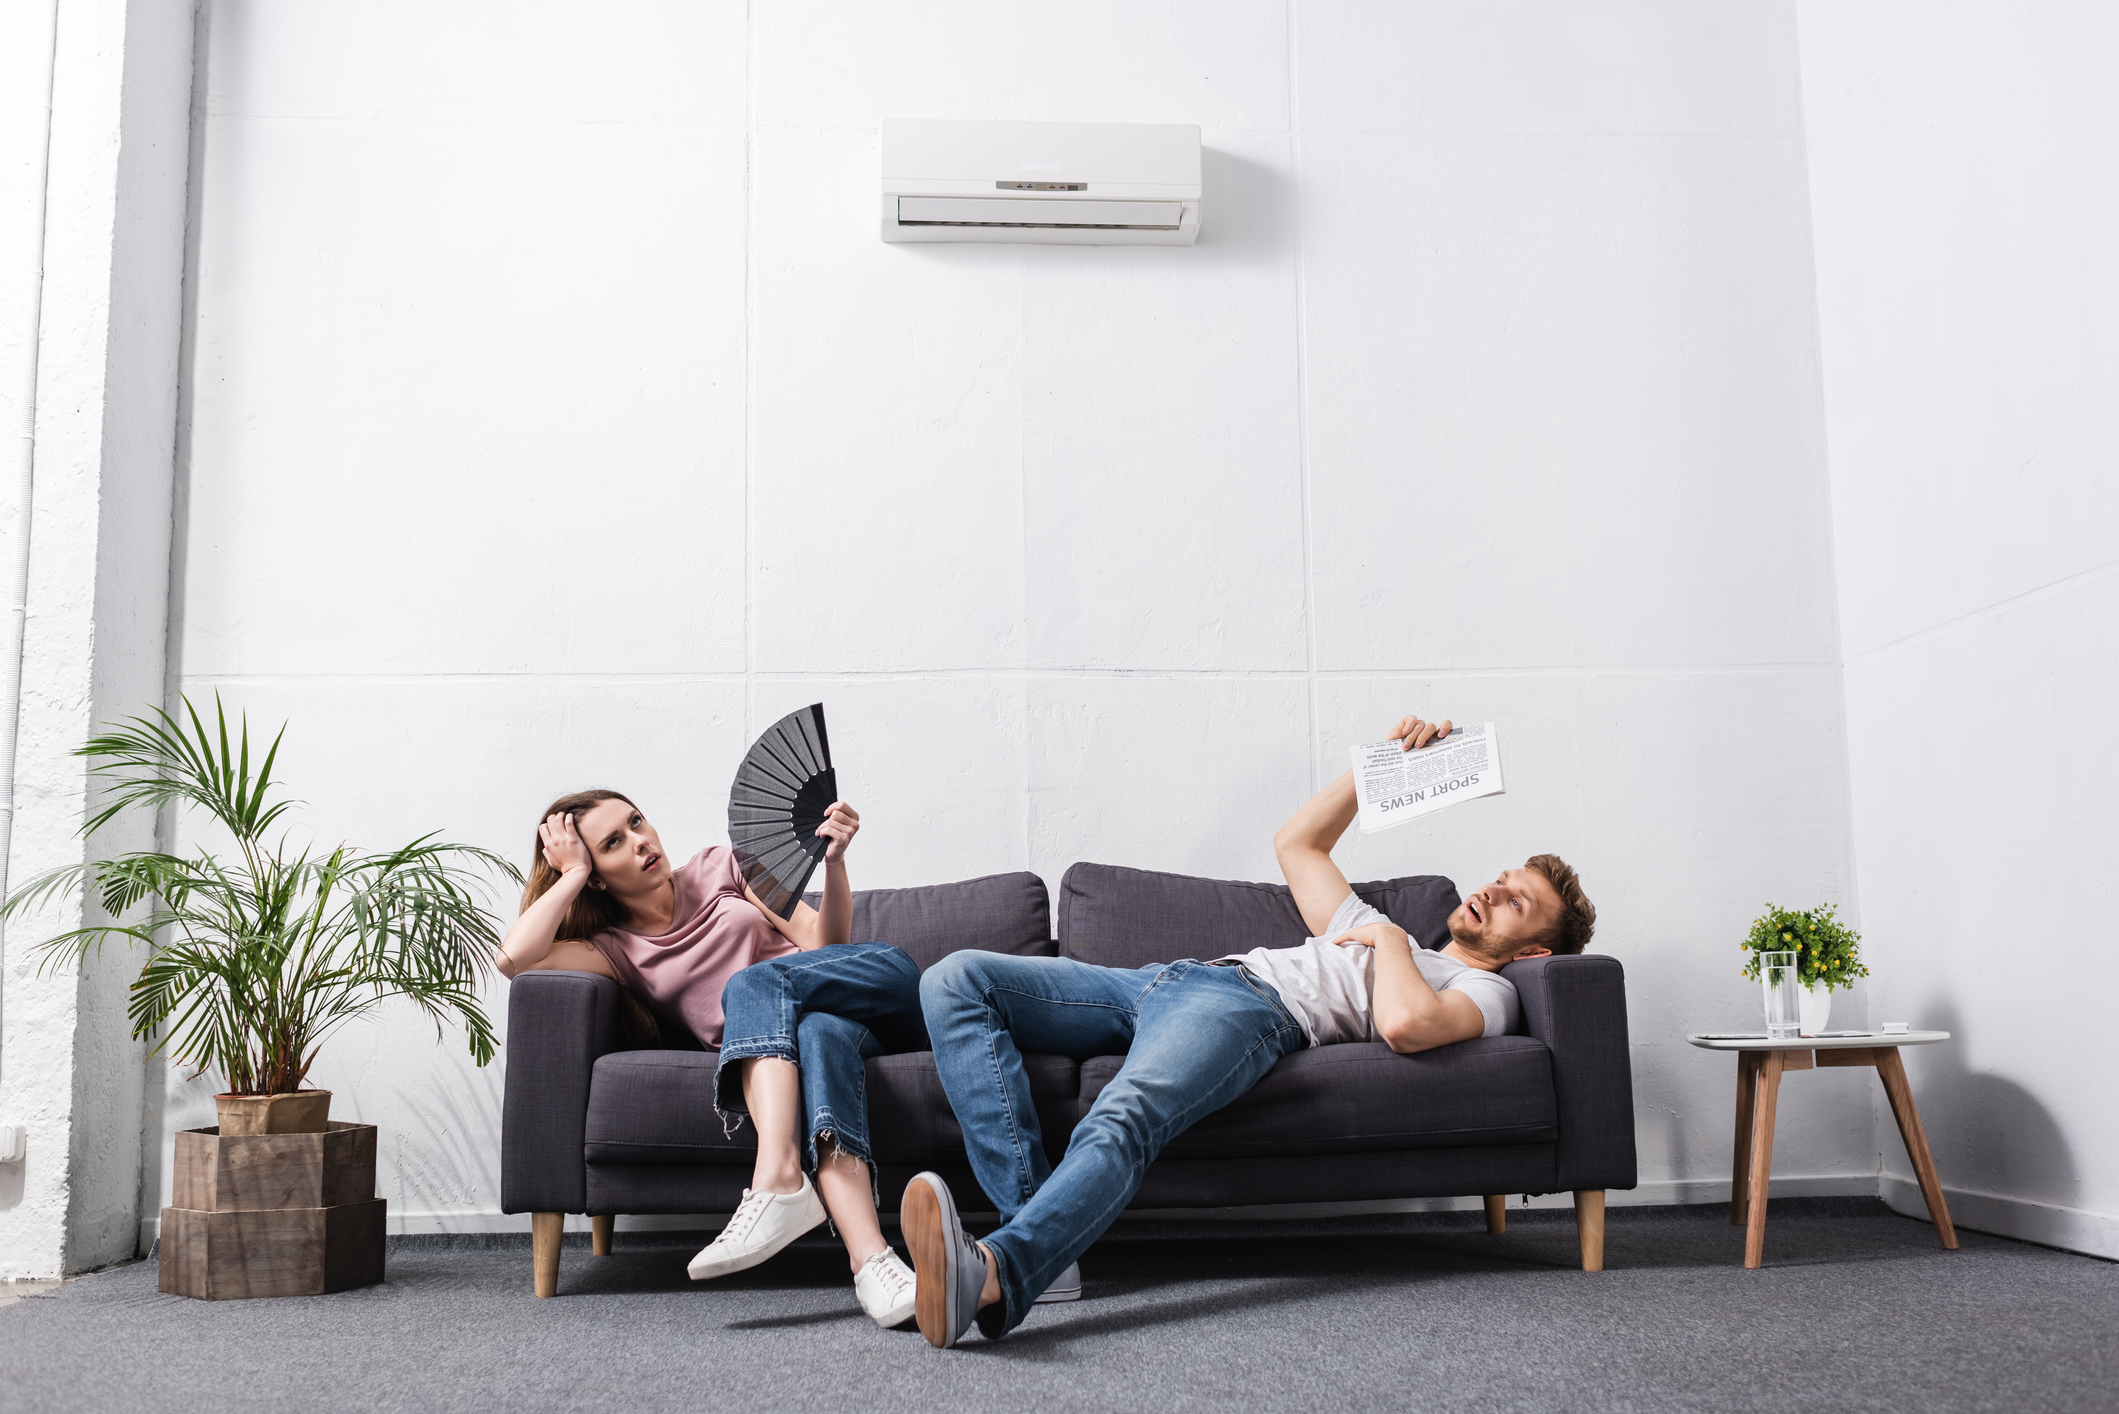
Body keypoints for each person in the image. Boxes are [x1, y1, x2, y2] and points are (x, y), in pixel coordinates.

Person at [902, 712, 1598, 1347]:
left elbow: (1408, 1025)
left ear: (1533, 950)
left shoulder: (1483, 988)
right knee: (956, 977)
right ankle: (1037, 1239)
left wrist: (1387, 941)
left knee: (1124, 1113)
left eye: (1516, 902)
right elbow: (1297, 844)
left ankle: (1002, 1269)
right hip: (1168, 979)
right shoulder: (1370, 929)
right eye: (1500, 878)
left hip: (1246, 1011)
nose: (1492, 890)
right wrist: (1378, 771)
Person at [496, 788, 928, 1328]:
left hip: (870, 988)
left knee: (752, 985)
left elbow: (824, 946)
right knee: (817, 1037)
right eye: (613, 843)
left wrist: (834, 865)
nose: (640, 842)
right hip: (817, 1039)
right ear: (598, 874)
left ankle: (778, 1181)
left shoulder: (726, 864)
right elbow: (516, 959)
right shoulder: (615, 949)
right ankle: (874, 1265)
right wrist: (571, 875)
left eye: (636, 822)